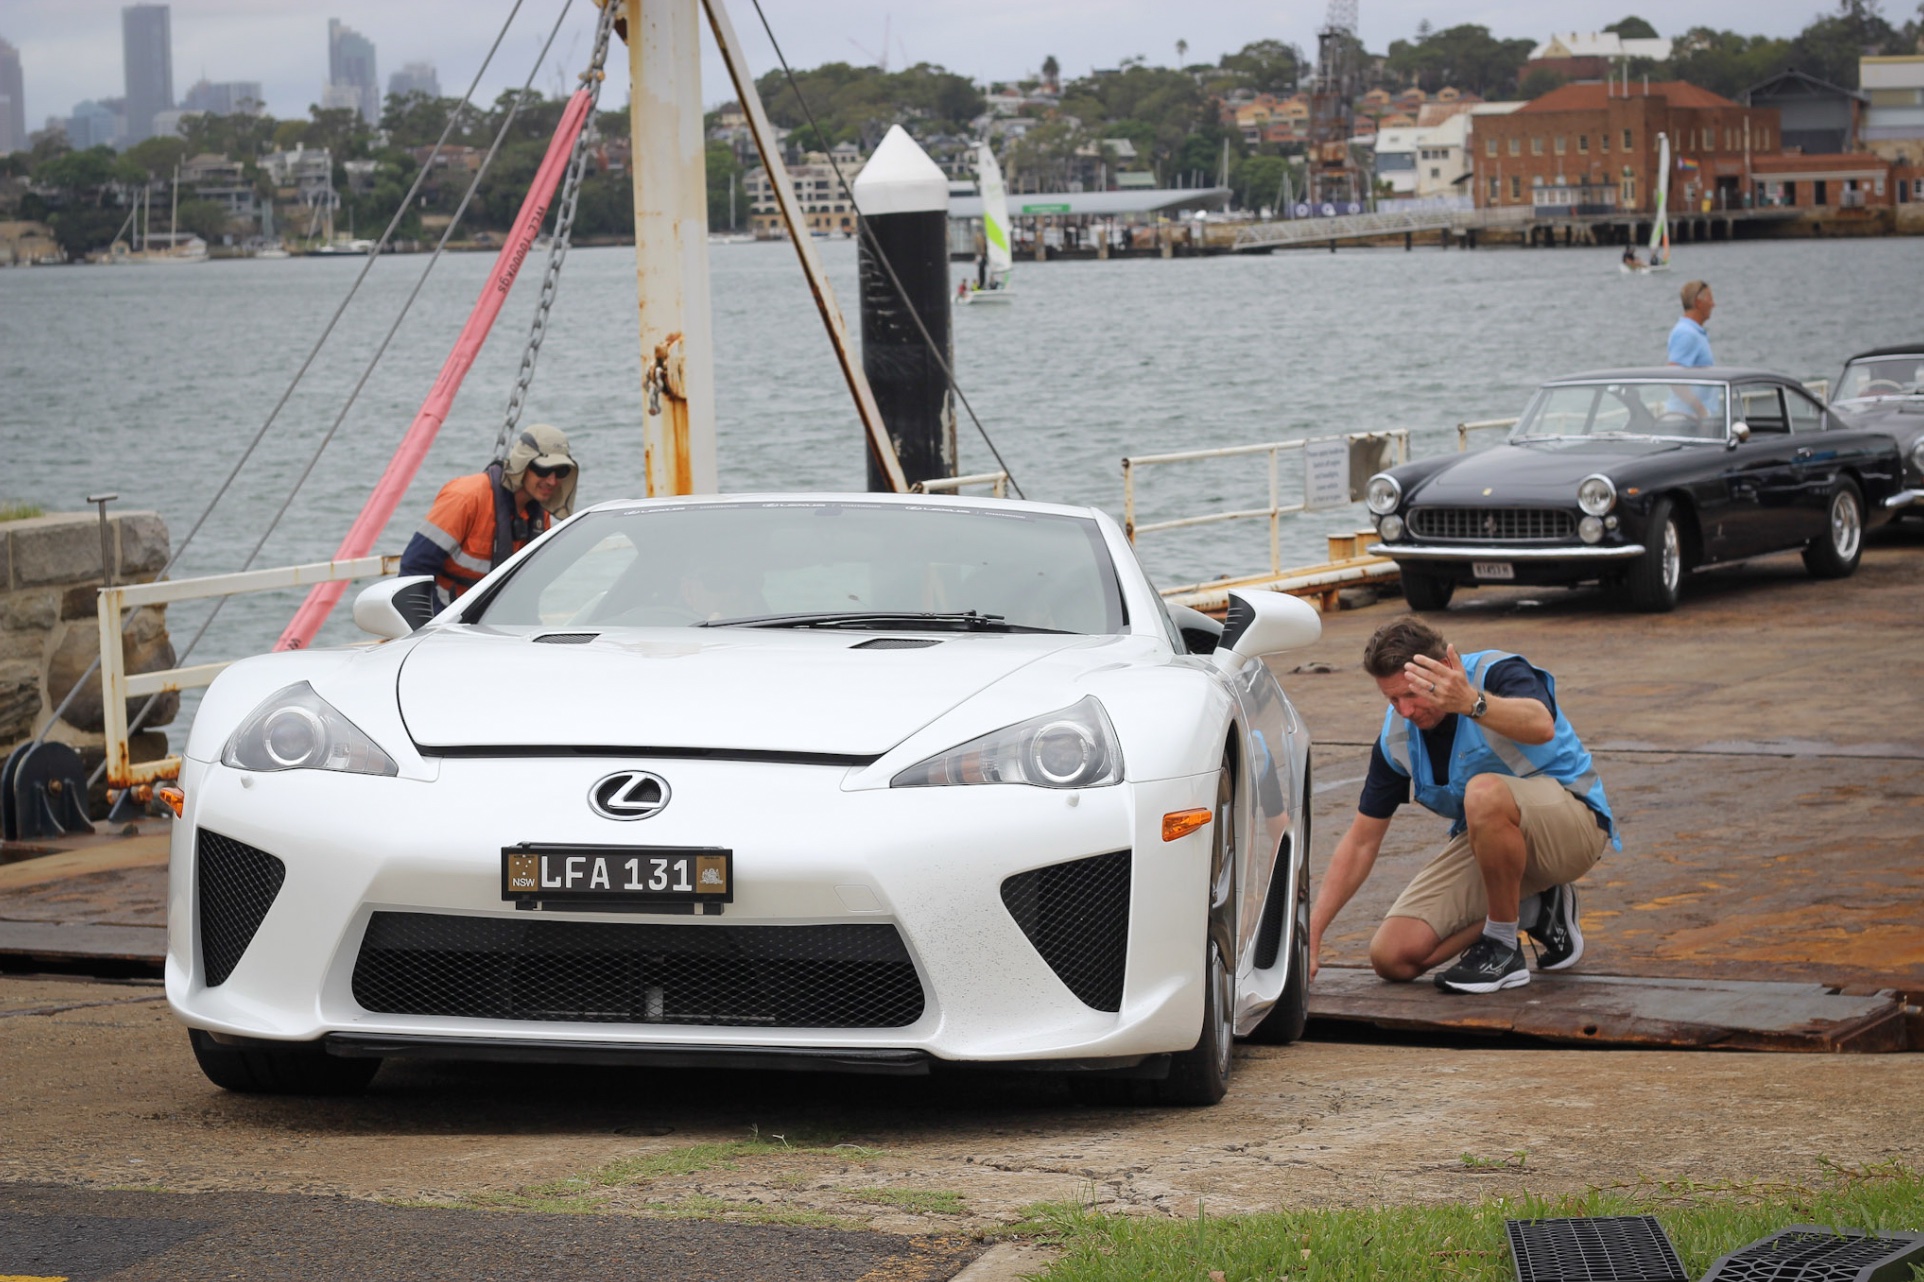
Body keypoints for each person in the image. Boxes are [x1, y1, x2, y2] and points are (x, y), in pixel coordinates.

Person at [1308, 617, 1619, 995]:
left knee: (1483, 792)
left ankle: (1502, 946)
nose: (1404, 711)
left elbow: (1541, 725)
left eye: (1412, 694)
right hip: (1497, 846)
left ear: (1443, 669)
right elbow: (1361, 843)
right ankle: (1538, 907)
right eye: (1393, 699)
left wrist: (1472, 703)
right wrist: (1312, 933)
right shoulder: (1395, 740)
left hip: (1575, 829)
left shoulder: (1496, 673)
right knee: (1393, 956)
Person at [399, 424, 579, 607]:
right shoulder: (466, 498)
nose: (551, 480)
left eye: (561, 471)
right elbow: (414, 569)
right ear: (522, 464)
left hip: (495, 620)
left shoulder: (539, 517)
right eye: (543, 469)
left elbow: (528, 586)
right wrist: (434, 626)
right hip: (447, 617)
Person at [1664, 280, 1720, 426]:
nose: (1713, 304)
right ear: (1698, 302)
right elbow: (1673, 377)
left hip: (1691, 420)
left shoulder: (1694, 332)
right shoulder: (1686, 333)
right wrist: (1702, 412)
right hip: (1686, 421)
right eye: (1710, 299)